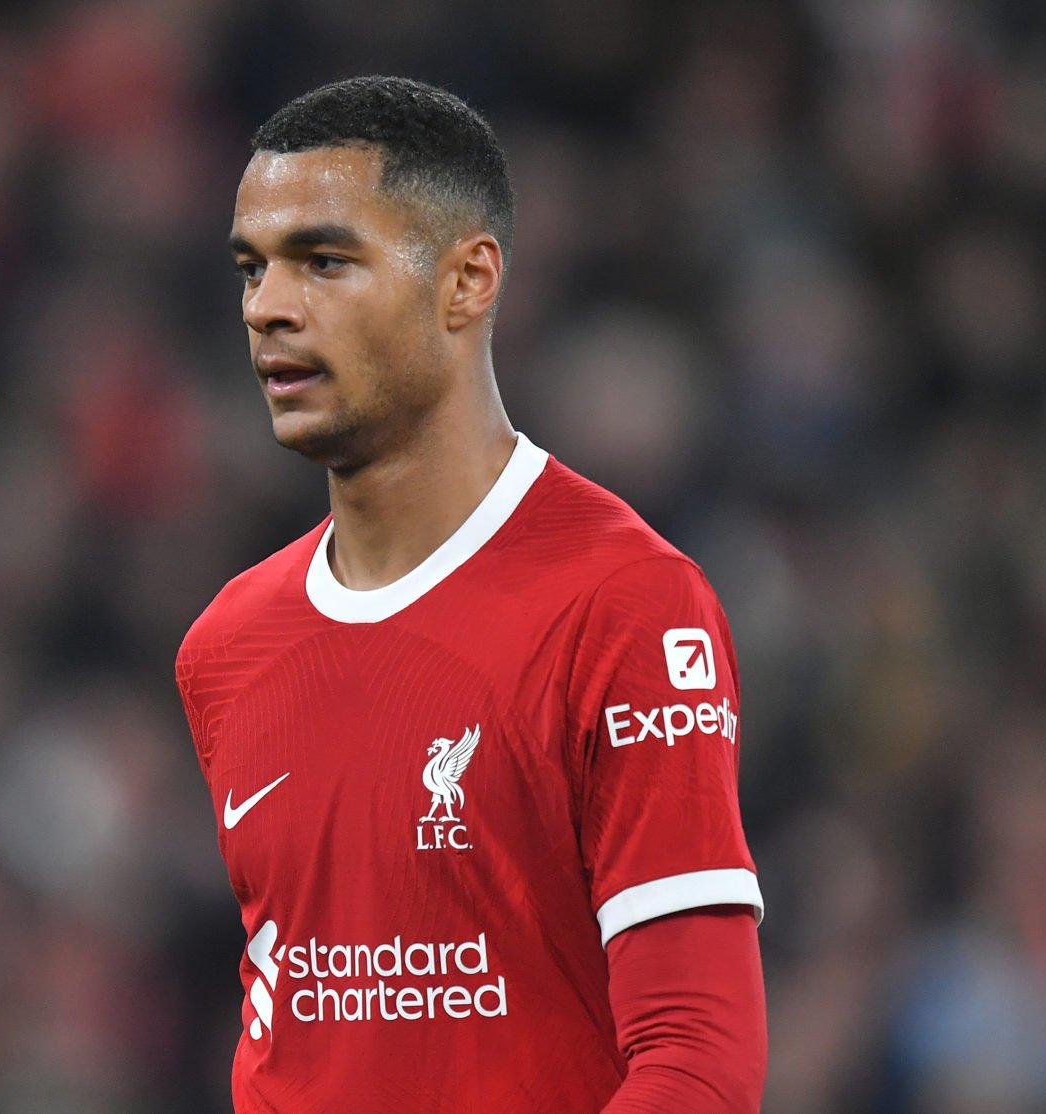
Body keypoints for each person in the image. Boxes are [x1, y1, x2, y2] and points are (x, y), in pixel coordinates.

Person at [176, 75, 767, 1112]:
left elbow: (698, 1057)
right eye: (251, 268)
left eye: (322, 260)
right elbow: (296, 1032)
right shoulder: (228, 645)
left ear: (467, 281)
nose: (267, 305)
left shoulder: (625, 601)